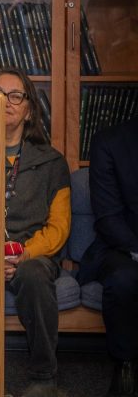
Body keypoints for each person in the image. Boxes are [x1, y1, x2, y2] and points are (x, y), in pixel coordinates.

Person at [0, 67, 71, 397]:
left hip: (32, 256)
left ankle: (44, 379)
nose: (6, 102)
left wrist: (22, 254)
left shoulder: (52, 163)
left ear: (28, 109)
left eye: (15, 96)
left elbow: (59, 228)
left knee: (34, 274)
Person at [79, 117, 138, 397]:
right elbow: (108, 217)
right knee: (125, 279)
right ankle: (125, 366)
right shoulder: (110, 141)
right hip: (121, 247)